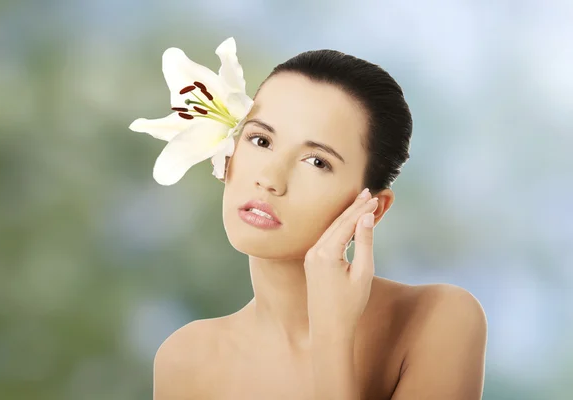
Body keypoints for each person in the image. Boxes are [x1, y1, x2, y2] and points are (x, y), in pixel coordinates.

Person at [151, 47, 488, 399]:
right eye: (260, 140)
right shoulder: (187, 359)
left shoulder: (438, 321)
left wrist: (333, 336)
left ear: (372, 208)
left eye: (316, 162)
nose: (270, 179)